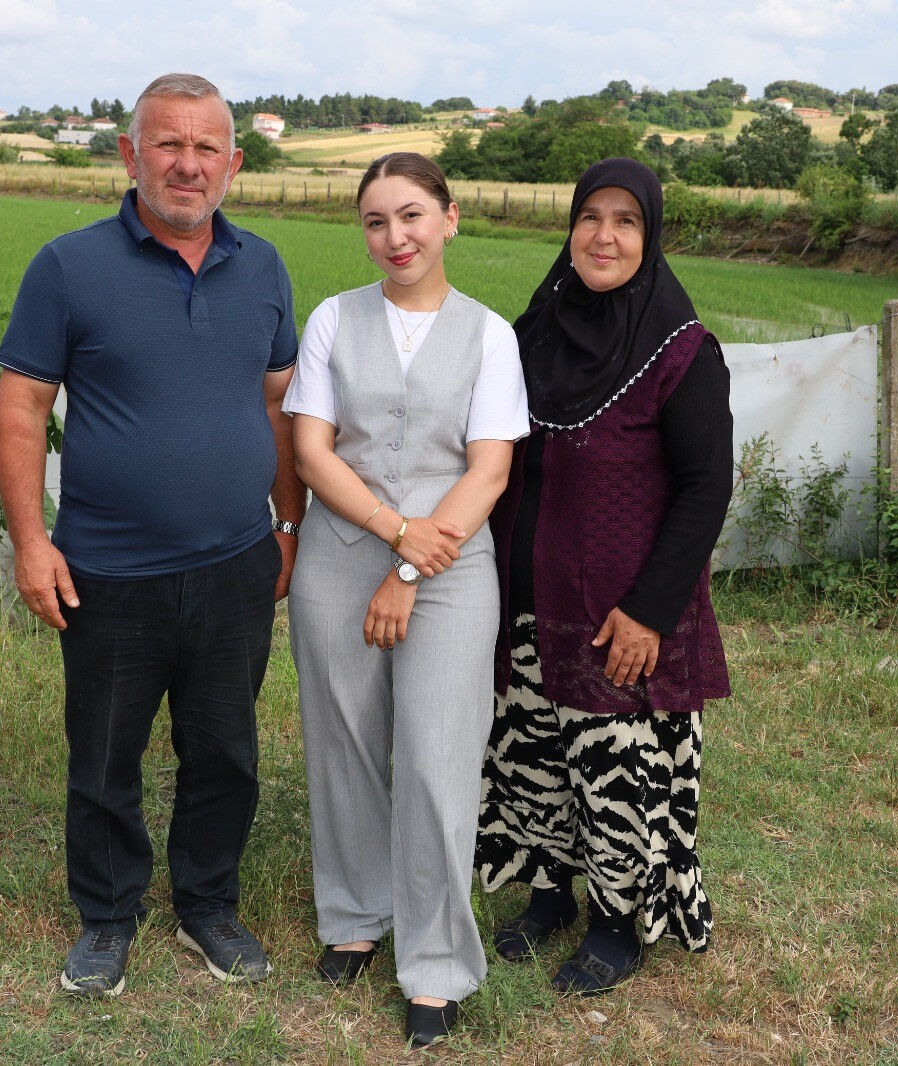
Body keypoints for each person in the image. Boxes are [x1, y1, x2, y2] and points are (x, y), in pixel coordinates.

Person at [0, 72, 305, 999]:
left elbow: (282, 405)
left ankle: (208, 905)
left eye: (207, 147)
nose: (187, 164)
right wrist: (29, 540)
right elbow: (21, 406)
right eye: (168, 144)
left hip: (235, 564)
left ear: (234, 164)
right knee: (103, 758)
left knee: (225, 751)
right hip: (108, 571)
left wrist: (287, 524)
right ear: (130, 154)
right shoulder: (68, 266)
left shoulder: (264, 267)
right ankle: (107, 917)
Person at [282, 152, 528, 1047]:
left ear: (451, 219)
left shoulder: (491, 336)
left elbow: (490, 468)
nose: (397, 237)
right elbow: (312, 452)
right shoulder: (333, 321)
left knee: (435, 757)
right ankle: (354, 913)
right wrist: (393, 536)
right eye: (378, 221)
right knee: (343, 742)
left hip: (452, 567)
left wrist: (414, 566)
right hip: (342, 555)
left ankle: (435, 962)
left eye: (414, 215)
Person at [476, 157, 734, 996]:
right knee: (536, 755)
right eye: (591, 216)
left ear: (650, 237)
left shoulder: (682, 352)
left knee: (615, 766)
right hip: (523, 599)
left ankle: (618, 923)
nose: (604, 236)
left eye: (626, 221)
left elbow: (706, 487)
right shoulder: (533, 334)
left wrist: (649, 611)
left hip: (618, 611)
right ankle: (551, 896)